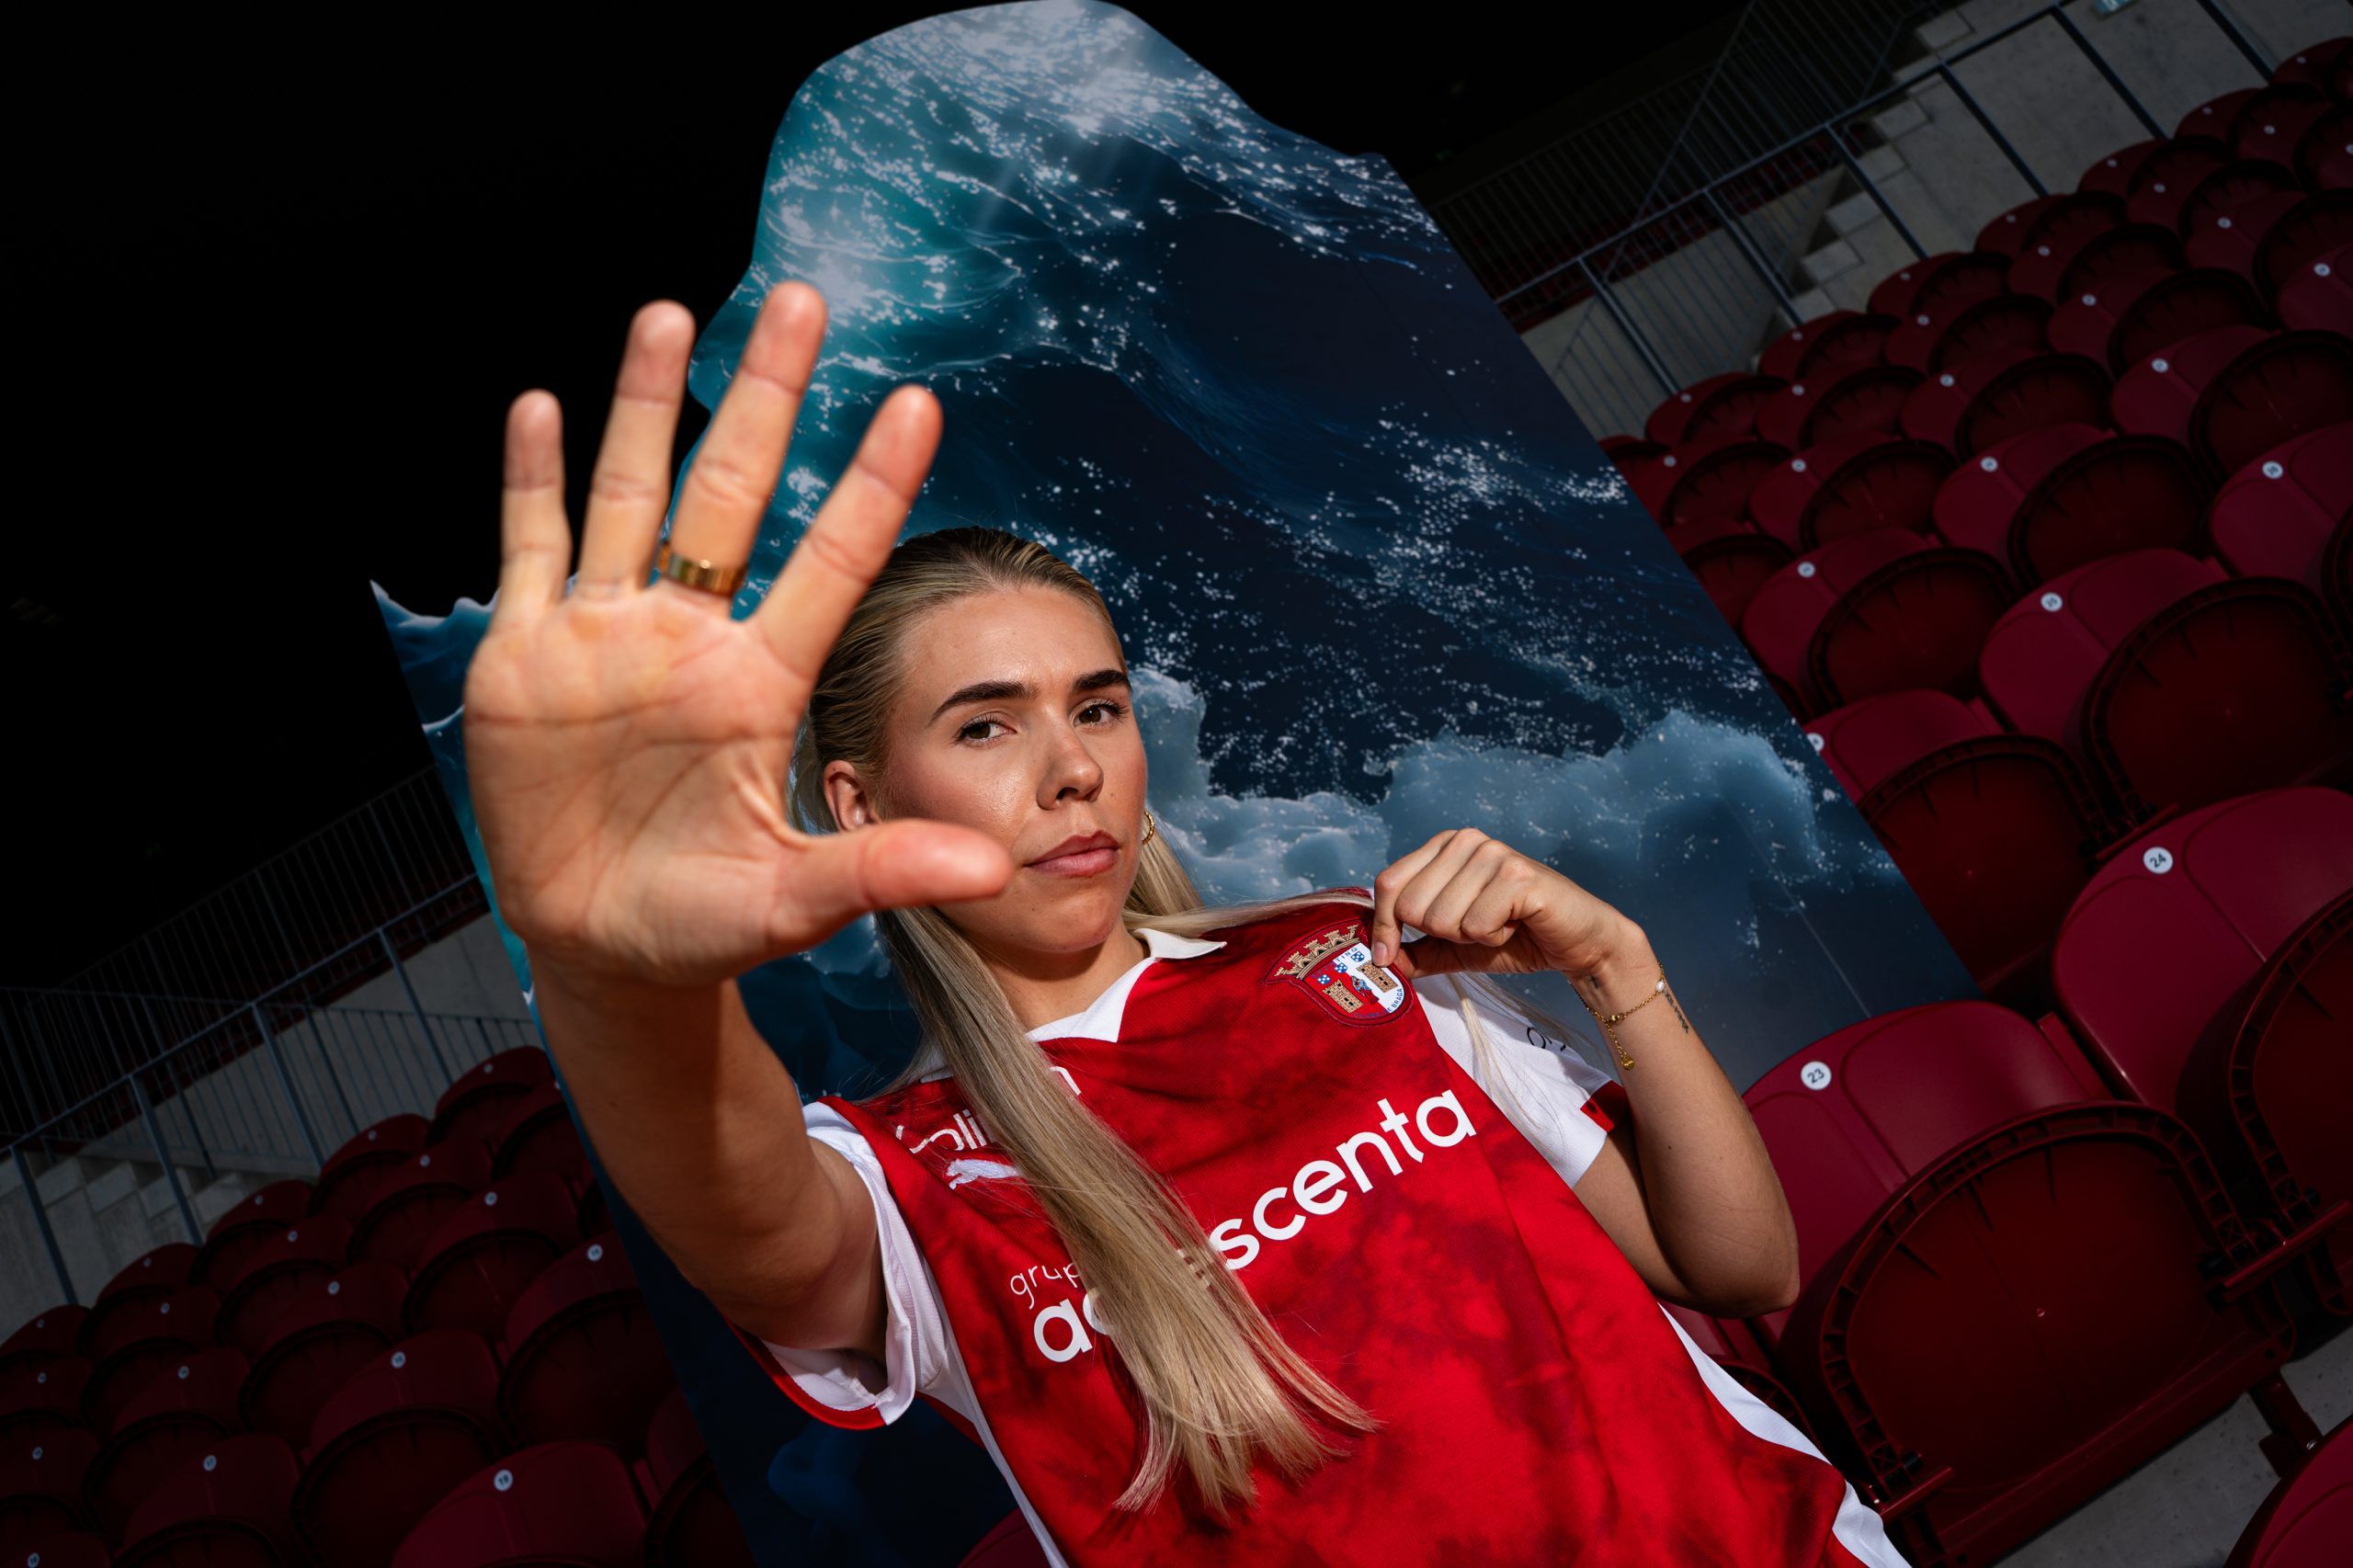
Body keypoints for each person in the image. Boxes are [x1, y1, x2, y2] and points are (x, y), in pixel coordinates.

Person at [465, 282, 1915, 1567]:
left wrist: (1617, 962)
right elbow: (747, 1218)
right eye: (986, 725)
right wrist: (619, 974)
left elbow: (1745, 1268)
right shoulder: (905, 1182)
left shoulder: (1352, 952)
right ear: (858, 801)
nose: (1073, 766)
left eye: (1096, 706)